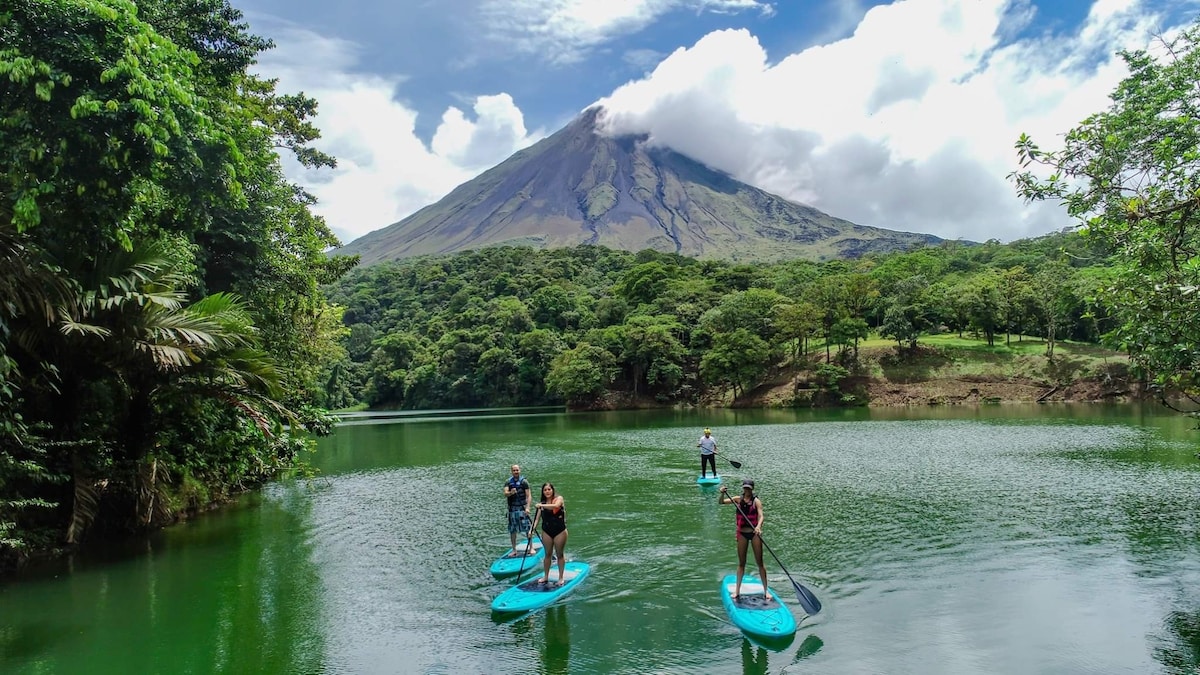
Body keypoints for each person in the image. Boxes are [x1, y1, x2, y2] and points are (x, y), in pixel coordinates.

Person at [719, 479, 768, 600]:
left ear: (752, 489)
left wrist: (758, 527)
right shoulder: (737, 499)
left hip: (754, 533)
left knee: (760, 563)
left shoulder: (756, 501)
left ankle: (766, 591)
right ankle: (737, 591)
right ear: (743, 488)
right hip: (742, 534)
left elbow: (761, 516)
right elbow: (721, 502)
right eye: (745, 488)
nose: (747, 490)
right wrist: (722, 493)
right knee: (741, 563)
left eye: (749, 488)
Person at [531, 482, 567, 586]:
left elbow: (555, 506)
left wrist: (541, 505)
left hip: (559, 531)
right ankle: (545, 576)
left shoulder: (559, 499)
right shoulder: (541, 503)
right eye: (545, 490)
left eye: (549, 489)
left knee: (559, 554)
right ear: (543, 492)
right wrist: (531, 530)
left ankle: (560, 578)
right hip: (547, 531)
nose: (547, 491)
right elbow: (537, 519)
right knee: (547, 554)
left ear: (552, 490)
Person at [502, 464, 532, 556]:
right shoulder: (508, 482)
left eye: (517, 470)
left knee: (527, 528)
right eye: (514, 470)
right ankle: (514, 550)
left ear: (520, 470)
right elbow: (505, 493)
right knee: (512, 530)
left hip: (522, 508)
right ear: (512, 471)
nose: (516, 472)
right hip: (512, 510)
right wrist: (511, 492)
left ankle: (531, 548)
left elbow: (529, 495)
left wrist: (528, 507)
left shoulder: (524, 482)